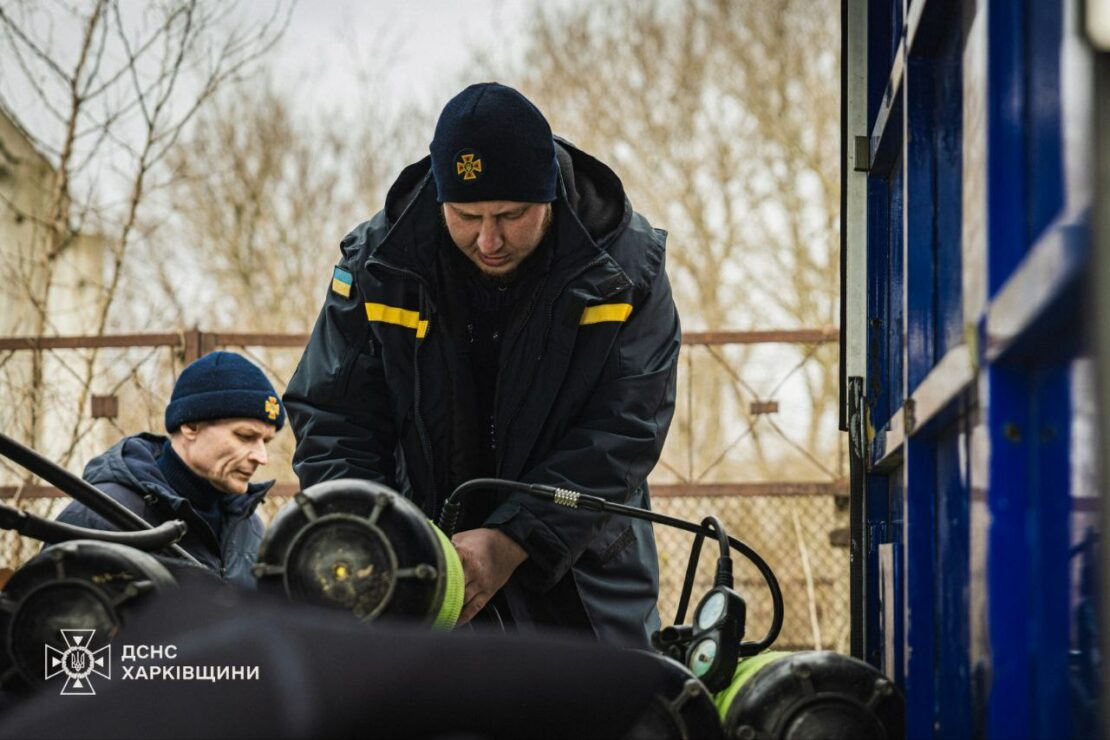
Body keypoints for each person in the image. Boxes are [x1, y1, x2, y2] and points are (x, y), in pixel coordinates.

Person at [284, 82, 680, 647]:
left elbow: (626, 428)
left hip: (580, 577)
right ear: (441, 198)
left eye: (511, 215)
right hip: (418, 575)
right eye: (467, 215)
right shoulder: (377, 263)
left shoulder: (626, 267)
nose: (489, 239)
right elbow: (333, 415)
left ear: (549, 196)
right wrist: (379, 540)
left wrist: (515, 540)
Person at [56, 351, 284, 586]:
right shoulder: (102, 515)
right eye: (245, 436)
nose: (262, 457)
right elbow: (62, 618)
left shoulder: (249, 527)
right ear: (191, 426)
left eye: (266, 442)